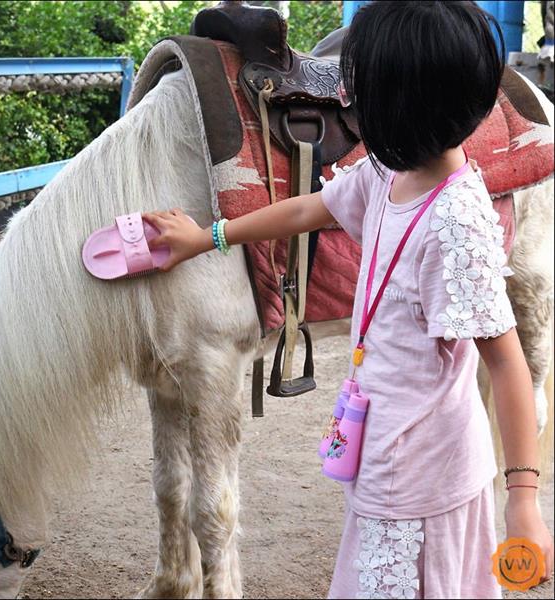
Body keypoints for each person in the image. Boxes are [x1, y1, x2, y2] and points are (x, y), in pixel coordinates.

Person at [144, 2, 554, 597]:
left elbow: (507, 363)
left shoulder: (457, 225)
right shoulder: (390, 173)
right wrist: (209, 236)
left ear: (399, 106)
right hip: (382, 453)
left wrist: (522, 501)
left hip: (425, 481)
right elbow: (314, 208)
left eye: (359, 94)